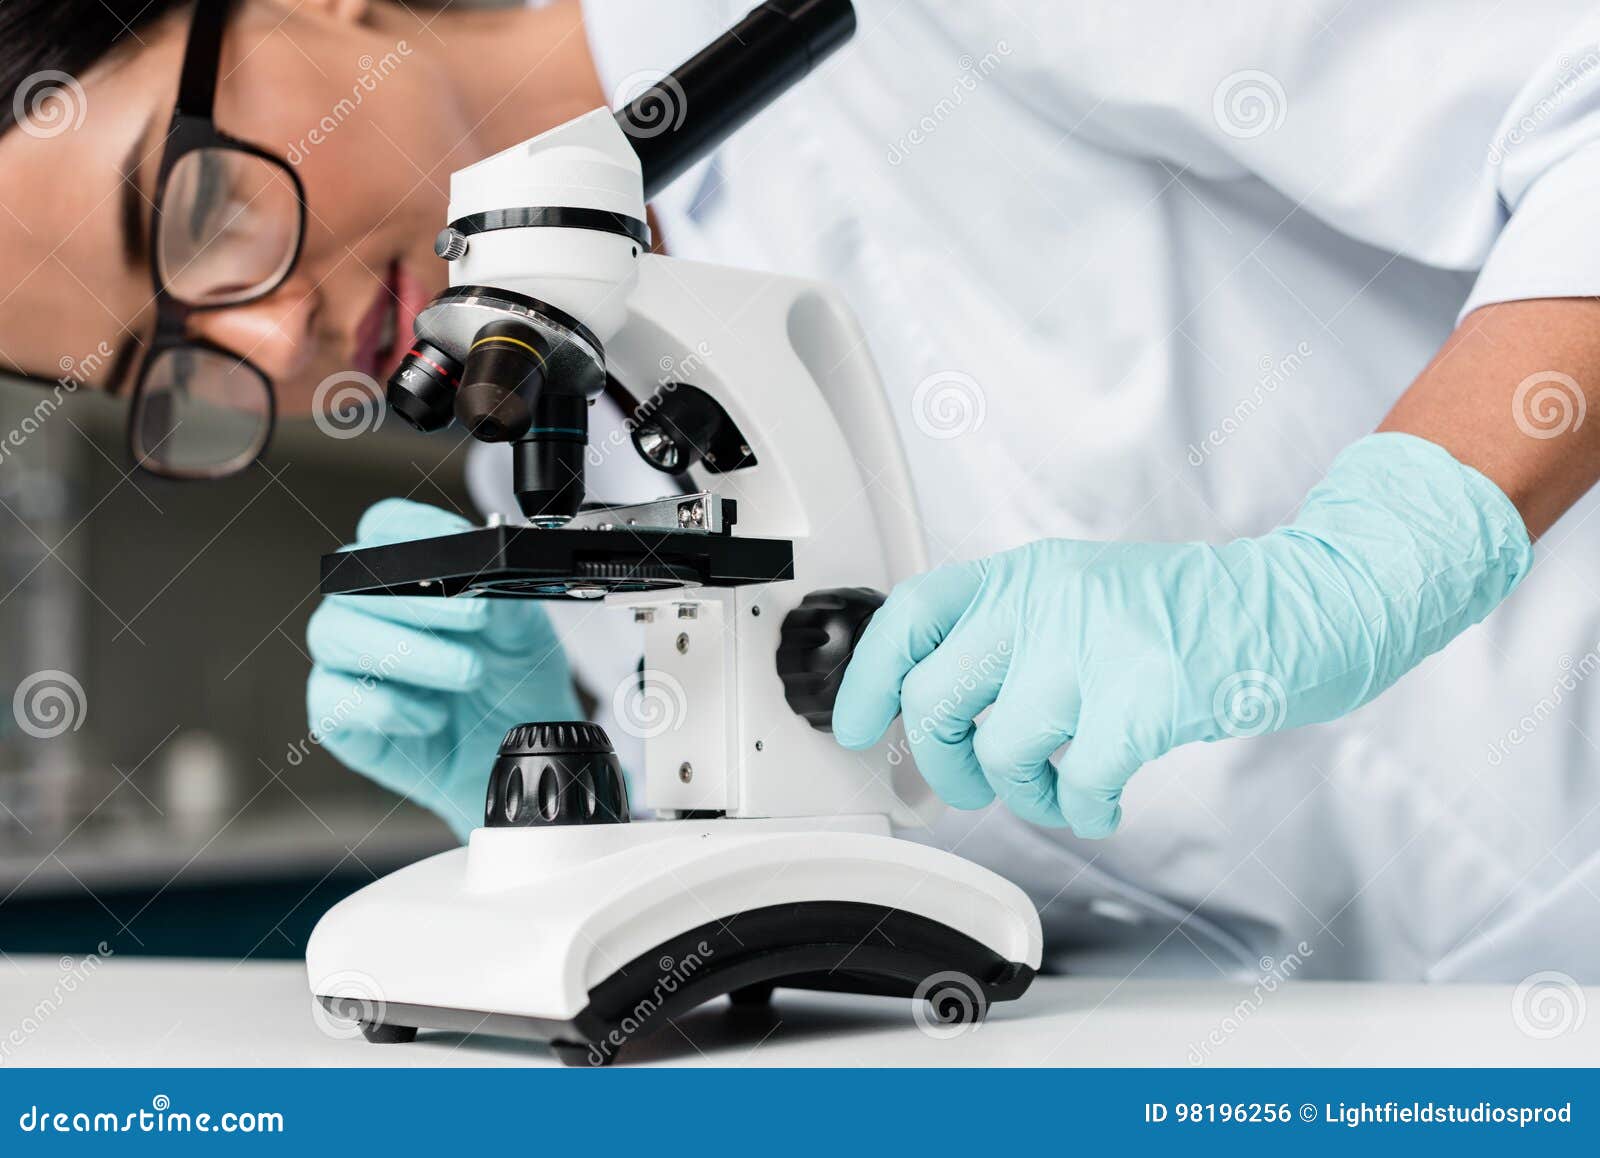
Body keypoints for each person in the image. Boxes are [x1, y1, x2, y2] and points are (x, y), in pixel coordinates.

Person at [6, 1, 1599, 984]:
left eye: (189, 216)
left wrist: (1366, 562)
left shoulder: (913, 31)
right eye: (164, 357)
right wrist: (584, 839)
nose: (268, 335)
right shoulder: (563, 474)